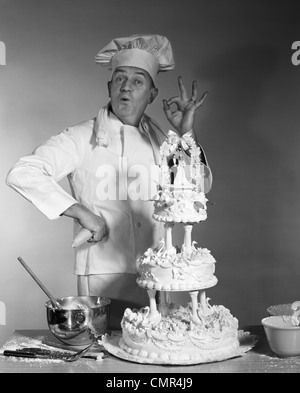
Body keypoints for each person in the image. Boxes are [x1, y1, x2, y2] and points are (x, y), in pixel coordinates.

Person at [6, 34, 212, 329]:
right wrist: (80, 212)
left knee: (152, 350)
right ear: (109, 87)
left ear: (152, 94)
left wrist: (185, 136)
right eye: (119, 79)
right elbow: (23, 172)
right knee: (105, 354)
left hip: (155, 273)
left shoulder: (164, 143)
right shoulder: (80, 137)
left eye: (138, 81)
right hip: (101, 273)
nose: (126, 87)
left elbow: (199, 189)